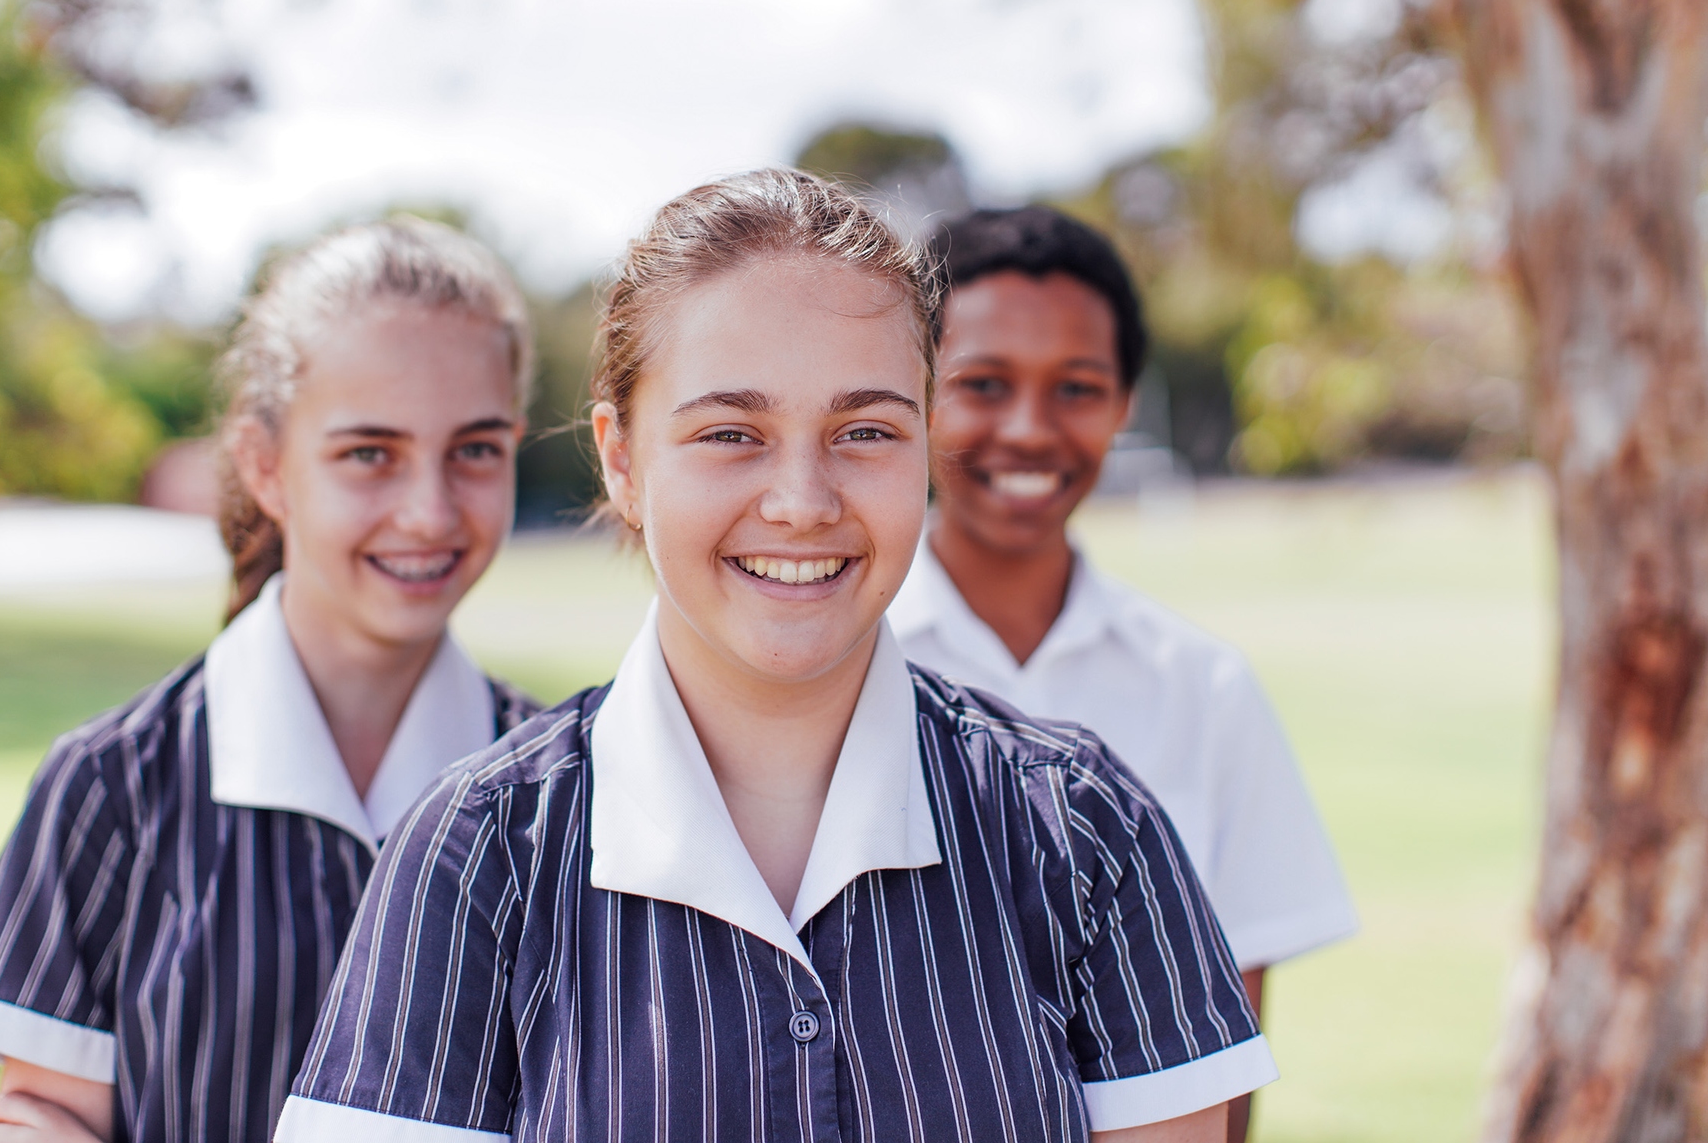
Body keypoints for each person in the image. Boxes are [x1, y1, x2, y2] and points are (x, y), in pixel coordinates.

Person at [277, 169, 1275, 1143]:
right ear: (622, 460)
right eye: (731, 433)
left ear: (928, 445)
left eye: (866, 429)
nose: (802, 500)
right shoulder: (475, 852)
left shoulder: (1092, 832)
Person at [0, 217, 544, 1143]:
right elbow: (44, 1119)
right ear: (264, 464)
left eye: (476, 449)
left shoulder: (572, 795)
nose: (429, 509)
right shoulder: (110, 786)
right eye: (370, 452)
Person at [888, 205, 1358, 1143]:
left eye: (1077, 387)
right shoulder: (832, 671)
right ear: (917, 388)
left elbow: (1226, 1051)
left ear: (1125, 401)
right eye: (983, 383)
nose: (1029, 429)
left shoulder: (1204, 691)